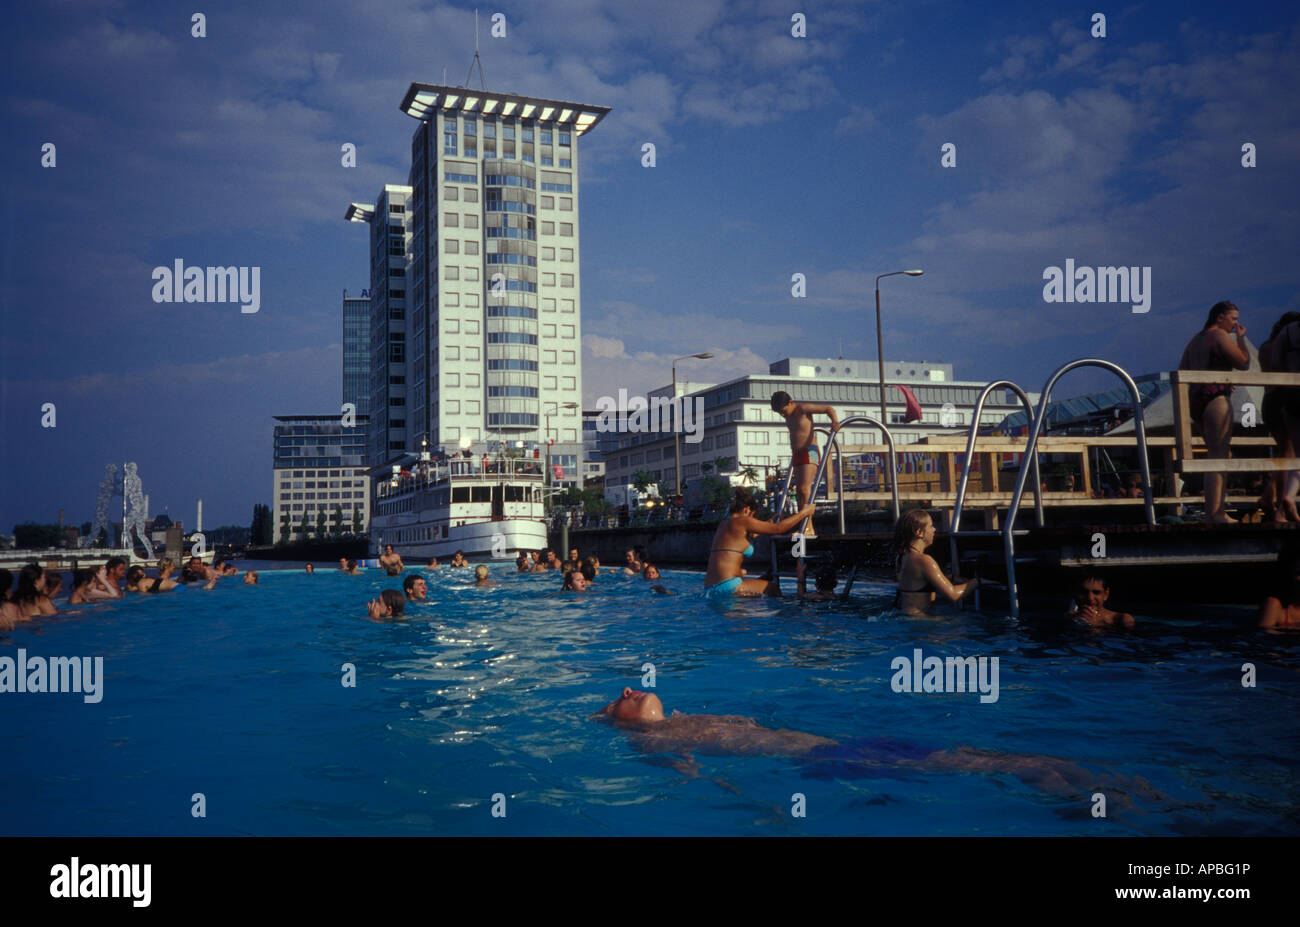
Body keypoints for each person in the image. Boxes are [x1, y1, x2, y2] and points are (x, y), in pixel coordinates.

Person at [596, 688, 1163, 802]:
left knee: (975, 759)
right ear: (618, 721)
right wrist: (762, 811)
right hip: (822, 758)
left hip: (842, 742)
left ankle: (1096, 783)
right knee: (965, 767)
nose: (628, 689)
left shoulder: (691, 712)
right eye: (616, 698)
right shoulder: (651, 741)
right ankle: (1105, 802)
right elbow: (707, 781)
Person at [1178, 300, 1251, 523]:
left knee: (1215, 454)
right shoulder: (1219, 336)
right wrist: (1241, 339)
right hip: (1216, 398)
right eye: (1234, 318)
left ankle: (1214, 510)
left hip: (1196, 398)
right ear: (1220, 317)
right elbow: (1243, 362)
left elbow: (1183, 369)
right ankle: (1216, 512)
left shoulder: (1194, 340)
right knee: (1219, 455)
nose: (1235, 324)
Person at [705, 487, 816, 598]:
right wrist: (804, 513)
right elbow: (778, 529)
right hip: (729, 586)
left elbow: (748, 535)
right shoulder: (744, 521)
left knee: (762, 581)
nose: (753, 520)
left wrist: (769, 522)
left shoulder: (724, 524)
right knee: (773, 588)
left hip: (711, 589)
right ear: (747, 510)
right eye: (753, 516)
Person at [771, 390, 839, 536]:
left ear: (790, 403)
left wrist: (835, 422)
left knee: (804, 489)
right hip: (797, 454)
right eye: (779, 413)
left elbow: (828, 409)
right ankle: (804, 526)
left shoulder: (802, 409)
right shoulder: (788, 415)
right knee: (800, 492)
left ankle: (808, 527)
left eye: (783, 411)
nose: (782, 415)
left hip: (810, 451)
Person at [1257, 311, 1300, 522]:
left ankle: (1269, 497)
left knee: (1284, 454)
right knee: (1290, 455)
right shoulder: (1284, 343)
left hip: (1269, 399)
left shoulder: (1266, 346)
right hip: (1284, 396)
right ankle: (1281, 506)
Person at [893, 509, 979, 613]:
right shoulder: (924, 560)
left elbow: (916, 582)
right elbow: (954, 595)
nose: (934, 530)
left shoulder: (902, 556)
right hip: (920, 622)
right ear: (919, 532)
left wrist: (948, 578)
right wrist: (976, 581)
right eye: (931, 526)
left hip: (905, 616)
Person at [1067, 573, 1134, 629]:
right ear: (1075, 593)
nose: (1090, 598)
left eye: (1096, 592)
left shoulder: (1122, 619)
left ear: (1106, 594)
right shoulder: (1070, 617)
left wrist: (1094, 625)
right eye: (1083, 592)